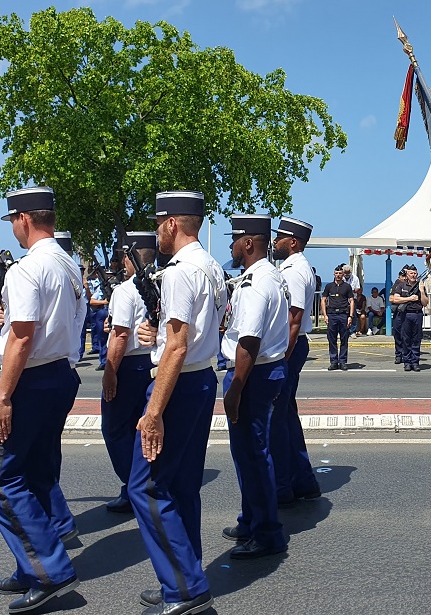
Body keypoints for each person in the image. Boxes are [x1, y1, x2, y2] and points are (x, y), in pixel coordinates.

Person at [0, 186, 87, 613]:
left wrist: (2, 397)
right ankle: (29, 563)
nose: (14, 230)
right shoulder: (69, 265)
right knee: (36, 472)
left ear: (23, 219)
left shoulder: (27, 268)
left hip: (31, 381)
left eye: (13, 221)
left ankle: (49, 571)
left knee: (1, 479)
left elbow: (21, 336)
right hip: (60, 375)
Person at [130, 190, 225, 614]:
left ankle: (185, 588)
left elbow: (178, 346)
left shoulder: (179, 271)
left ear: (172, 223)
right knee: (183, 486)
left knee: (147, 487)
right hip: (201, 379)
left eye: (157, 223)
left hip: (179, 384)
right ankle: (185, 572)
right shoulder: (211, 265)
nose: (156, 232)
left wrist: (153, 413)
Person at [220, 213, 289, 560]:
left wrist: (235, 390)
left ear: (248, 243)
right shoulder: (268, 277)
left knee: (254, 455)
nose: (230, 247)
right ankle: (250, 521)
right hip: (264, 372)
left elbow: (248, 341)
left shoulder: (255, 283)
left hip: (253, 374)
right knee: (247, 454)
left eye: (233, 240)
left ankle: (266, 533)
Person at [100, 231, 157, 515]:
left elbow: (120, 335)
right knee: (141, 428)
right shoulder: (159, 282)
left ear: (130, 256)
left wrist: (110, 372)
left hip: (129, 364)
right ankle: (141, 482)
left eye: (124, 255)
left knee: (115, 430)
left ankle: (133, 485)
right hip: (151, 362)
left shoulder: (125, 290)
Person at [271, 216, 322, 508]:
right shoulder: (295, 267)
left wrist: (281, 360)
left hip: (288, 348)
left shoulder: (292, 270)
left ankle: (282, 485)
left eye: (279, 238)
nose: (275, 242)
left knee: (277, 419)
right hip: (291, 347)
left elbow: (294, 320)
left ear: (292, 242)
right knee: (286, 415)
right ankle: (302, 480)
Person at [390, 264, 428, 372]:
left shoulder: (421, 286)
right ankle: (406, 362)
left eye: (415, 273)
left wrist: (421, 291)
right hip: (405, 314)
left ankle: (415, 362)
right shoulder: (401, 286)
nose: (414, 275)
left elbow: (425, 303)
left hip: (417, 314)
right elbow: (395, 299)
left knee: (416, 339)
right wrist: (409, 298)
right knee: (406, 338)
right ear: (407, 274)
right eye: (411, 273)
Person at [322, 266, 354, 371]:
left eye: (340, 273)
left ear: (343, 274)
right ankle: (334, 362)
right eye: (336, 273)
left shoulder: (347, 287)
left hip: (343, 315)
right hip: (331, 315)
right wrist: (325, 315)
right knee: (332, 339)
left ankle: (343, 361)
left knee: (344, 339)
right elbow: (323, 300)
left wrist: (350, 316)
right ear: (334, 274)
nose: (338, 275)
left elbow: (352, 301)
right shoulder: (329, 286)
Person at [86, 267, 110, 370]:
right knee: (102, 338)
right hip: (104, 311)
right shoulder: (102, 287)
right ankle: (104, 361)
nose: (110, 277)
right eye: (108, 275)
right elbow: (92, 301)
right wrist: (104, 302)